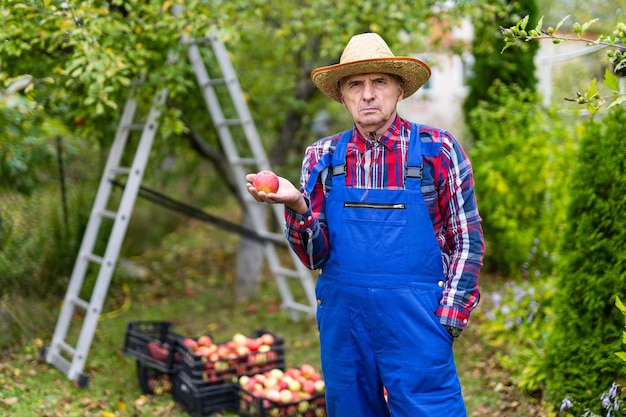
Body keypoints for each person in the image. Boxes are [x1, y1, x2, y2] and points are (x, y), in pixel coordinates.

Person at [246, 32, 484, 417]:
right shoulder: (322, 157)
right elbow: (314, 256)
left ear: (400, 89)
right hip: (346, 327)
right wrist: (297, 205)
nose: (368, 94)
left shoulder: (437, 151)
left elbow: (467, 241)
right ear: (343, 95)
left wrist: (448, 322)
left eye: (380, 82)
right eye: (356, 84)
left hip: (418, 325)